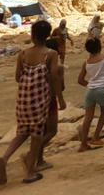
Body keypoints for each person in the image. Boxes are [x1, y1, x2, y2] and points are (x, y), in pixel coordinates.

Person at [0, 20, 59, 185]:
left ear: (32, 35)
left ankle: (4, 157)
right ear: (48, 36)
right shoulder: (50, 54)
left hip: (23, 101)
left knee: (21, 133)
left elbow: (17, 77)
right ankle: (29, 172)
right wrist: (57, 97)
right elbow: (53, 77)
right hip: (40, 101)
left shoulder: (22, 54)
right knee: (37, 137)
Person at [77, 37, 104, 151]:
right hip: (103, 89)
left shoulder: (86, 62)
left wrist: (89, 85)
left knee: (87, 117)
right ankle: (96, 136)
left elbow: (80, 80)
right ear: (100, 47)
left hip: (90, 91)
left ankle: (83, 144)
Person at [38, 36, 66, 170]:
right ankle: (31, 154)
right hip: (51, 100)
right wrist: (61, 99)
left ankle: (39, 160)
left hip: (39, 99)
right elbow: (60, 85)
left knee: (42, 132)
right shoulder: (58, 67)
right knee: (52, 131)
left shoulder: (39, 65)